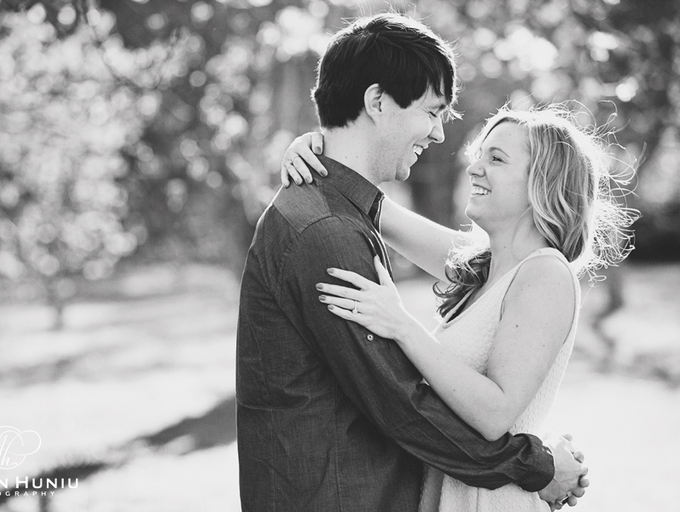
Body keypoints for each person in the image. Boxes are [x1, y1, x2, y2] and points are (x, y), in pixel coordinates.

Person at [236, 12, 587, 512]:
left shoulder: (523, 272)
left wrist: (326, 155)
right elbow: (402, 404)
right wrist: (540, 467)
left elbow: (472, 404)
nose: (447, 140)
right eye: (432, 111)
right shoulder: (327, 231)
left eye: (498, 159)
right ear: (377, 101)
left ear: (543, 187)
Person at [280, 105, 634, 510]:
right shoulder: (483, 268)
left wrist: (401, 325)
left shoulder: (546, 274)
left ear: (544, 183)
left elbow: (496, 413)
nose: (473, 168)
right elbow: (373, 206)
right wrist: (313, 149)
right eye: (480, 154)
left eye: (496, 159)